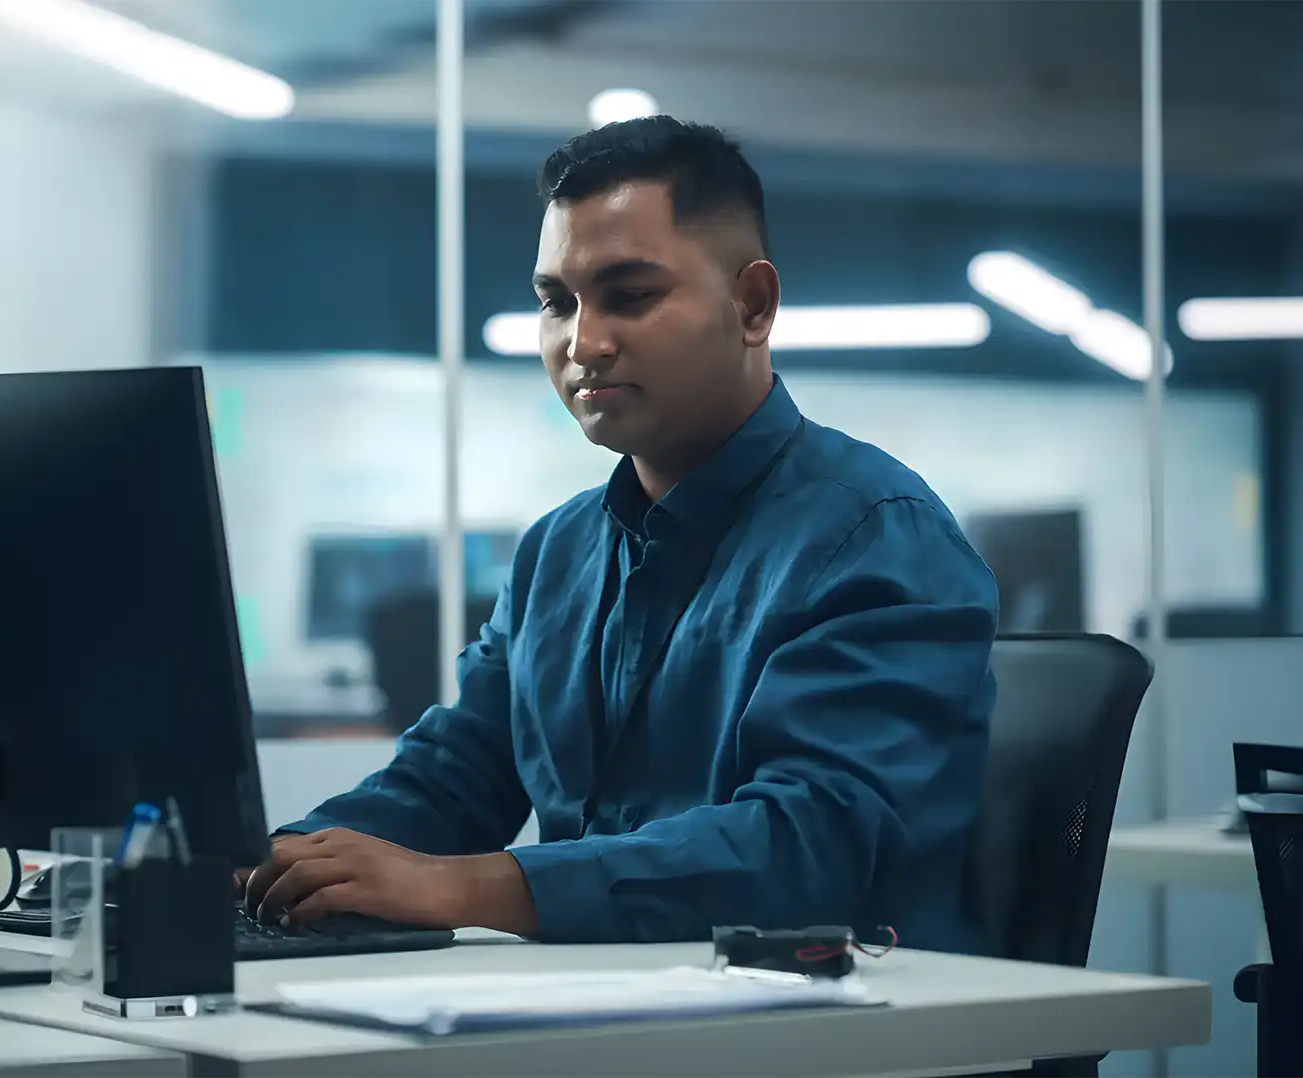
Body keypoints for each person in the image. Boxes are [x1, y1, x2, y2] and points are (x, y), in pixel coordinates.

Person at [241, 116, 999, 953]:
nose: (583, 343)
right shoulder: (556, 554)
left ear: (752, 305)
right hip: (608, 1011)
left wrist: (456, 885)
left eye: (630, 297)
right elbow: (452, 779)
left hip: (832, 1028)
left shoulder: (875, 537)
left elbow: (808, 847)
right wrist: (268, 870)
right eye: (555, 302)